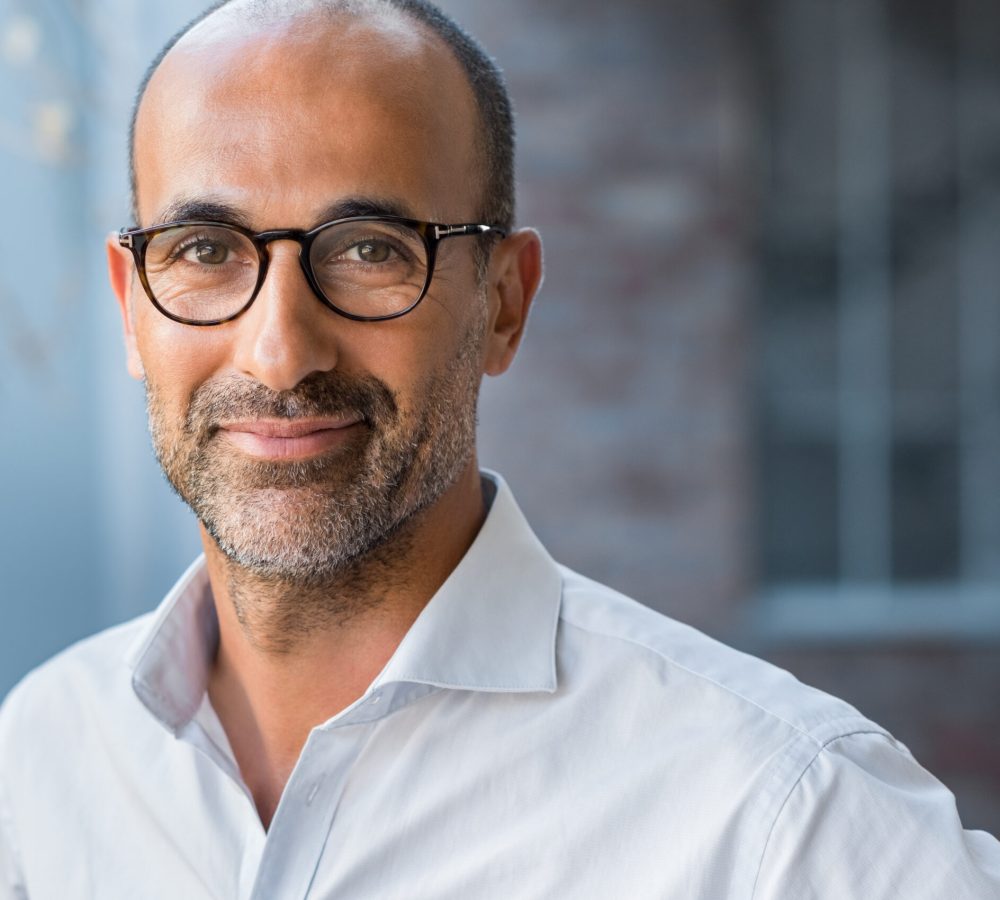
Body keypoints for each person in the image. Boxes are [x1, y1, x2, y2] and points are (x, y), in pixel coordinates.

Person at [1, 0, 998, 897]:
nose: (281, 350)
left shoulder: (783, 820)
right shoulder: (45, 761)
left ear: (503, 304)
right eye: (207, 252)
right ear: (133, 310)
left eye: (369, 250)